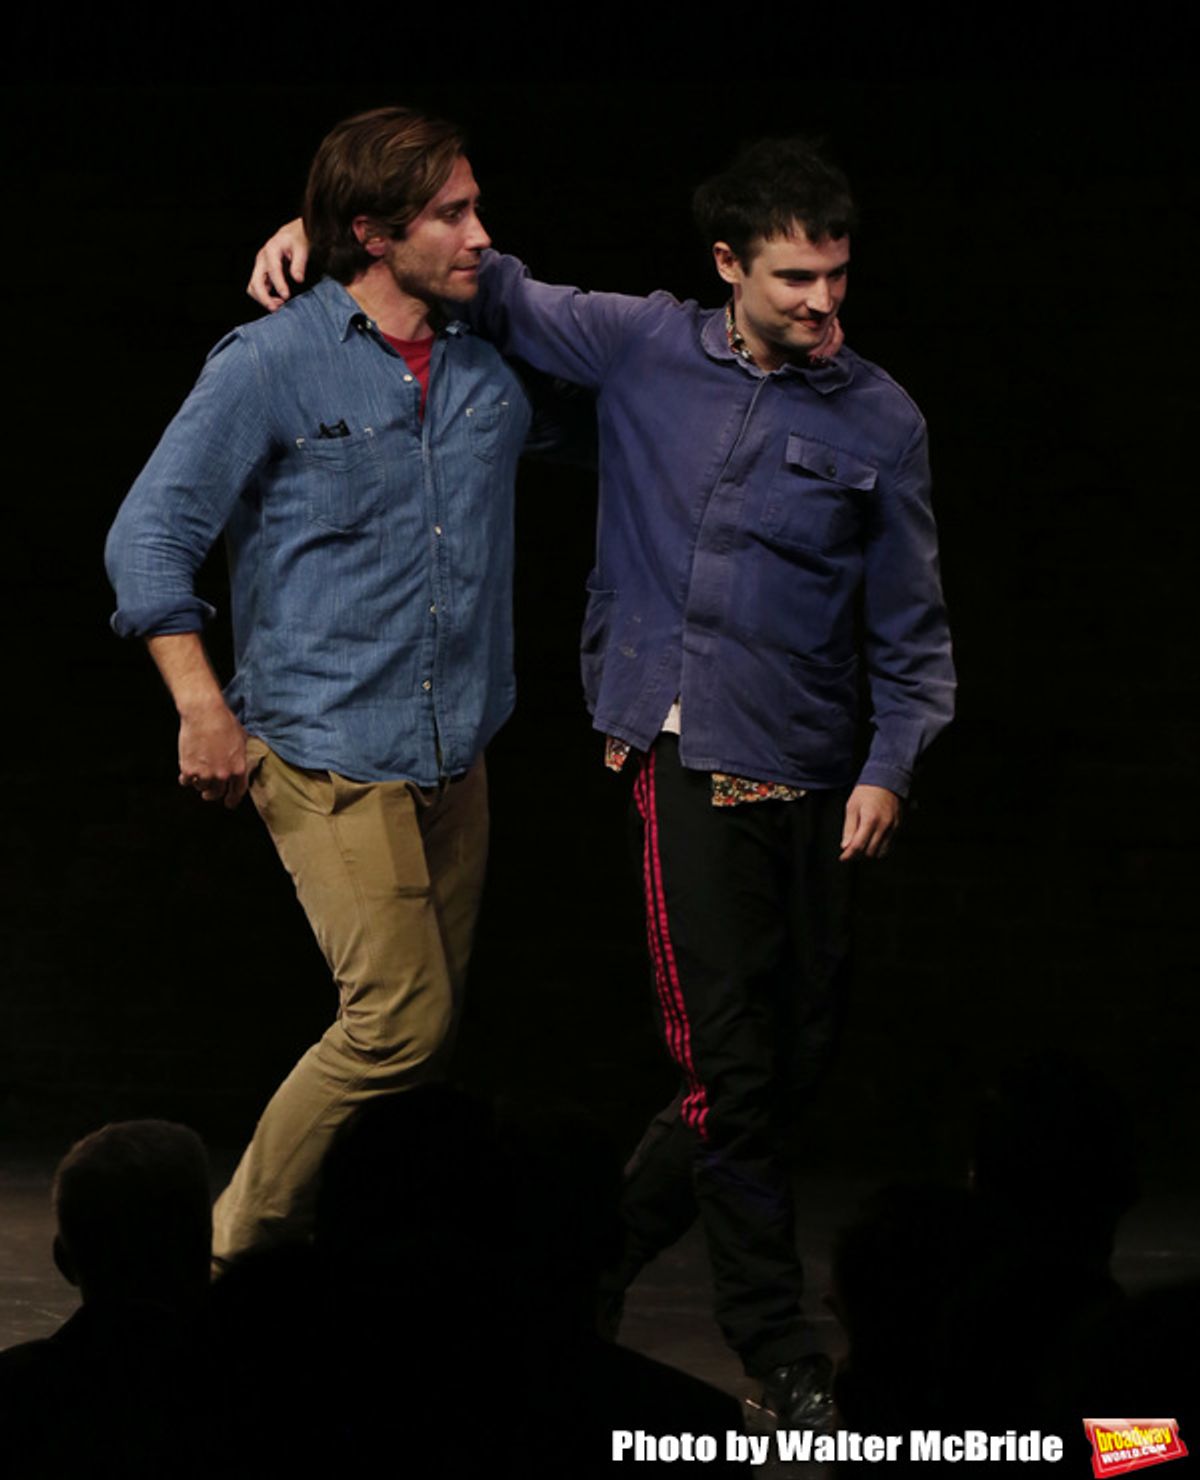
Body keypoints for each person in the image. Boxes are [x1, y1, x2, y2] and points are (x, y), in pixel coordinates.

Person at [248, 134, 955, 1428]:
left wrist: (889, 766)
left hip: (815, 766)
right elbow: (486, 281)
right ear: (729, 264)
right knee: (732, 1072)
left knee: (788, 1063)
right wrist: (321, 232)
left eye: (838, 277)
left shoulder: (881, 417)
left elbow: (911, 625)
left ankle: (596, 1257)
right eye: (796, 279)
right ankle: (777, 1344)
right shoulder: (642, 345)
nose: (823, 303)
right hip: (687, 754)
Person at [106, 106, 549, 1267]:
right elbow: (147, 539)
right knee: (399, 1023)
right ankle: (222, 1261)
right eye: (451, 214)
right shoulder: (272, 362)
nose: (481, 235)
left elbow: (630, 394)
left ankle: (350, 1282)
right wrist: (203, 707)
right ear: (374, 231)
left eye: (475, 206)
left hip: (456, 749)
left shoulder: (490, 359)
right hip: (327, 745)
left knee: (423, 1046)